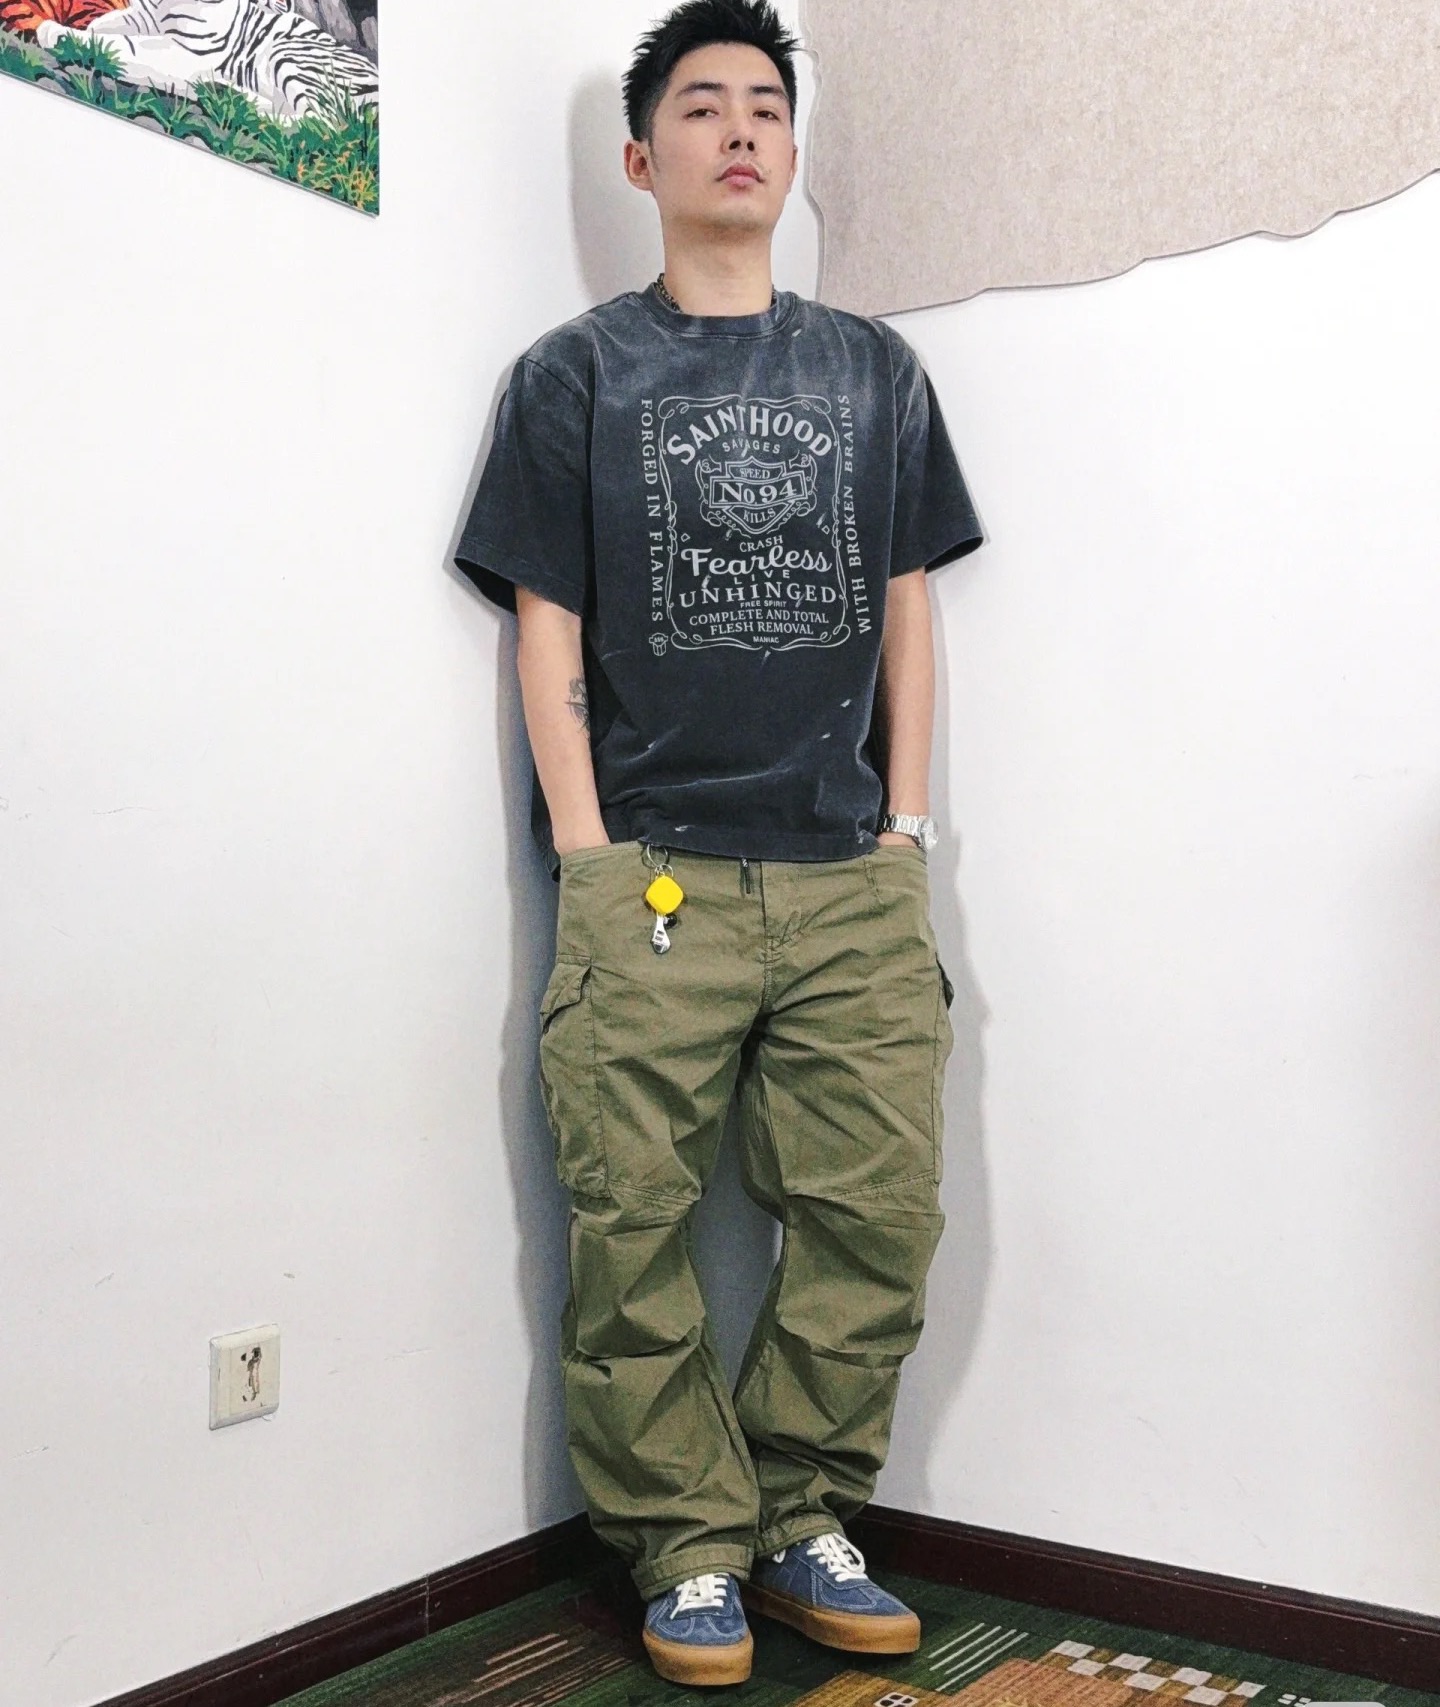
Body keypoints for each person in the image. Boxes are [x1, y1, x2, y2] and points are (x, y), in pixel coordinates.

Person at [455, 0, 984, 1685]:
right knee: (633, 1229)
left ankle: (801, 1517)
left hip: (850, 876)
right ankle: (684, 1546)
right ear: (642, 159)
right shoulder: (574, 374)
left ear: (794, 153)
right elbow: (545, 625)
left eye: (767, 104)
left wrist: (906, 830)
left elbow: (908, 612)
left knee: (879, 1217)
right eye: (701, 106)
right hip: (654, 876)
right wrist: (589, 851)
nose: (741, 128)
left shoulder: (875, 372)